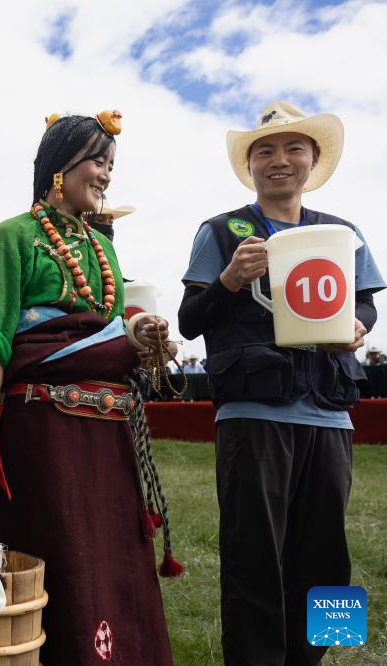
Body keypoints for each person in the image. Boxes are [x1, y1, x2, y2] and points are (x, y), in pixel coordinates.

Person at [0, 111, 179, 665]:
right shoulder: (13, 236)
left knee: (112, 553)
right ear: (60, 168)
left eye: (111, 165)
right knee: (61, 549)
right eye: (97, 162)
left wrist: (141, 339)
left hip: (106, 432)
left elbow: (106, 339)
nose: (107, 175)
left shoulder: (103, 251)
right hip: (42, 432)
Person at [178, 101, 383, 665]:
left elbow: (364, 302)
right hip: (252, 412)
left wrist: (360, 326)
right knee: (253, 560)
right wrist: (225, 282)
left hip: (330, 412)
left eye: (294, 148)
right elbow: (190, 319)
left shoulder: (342, 233)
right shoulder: (221, 231)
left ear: (313, 161)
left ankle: (319, 659)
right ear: (250, 166)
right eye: (264, 150)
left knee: (327, 559)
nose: (280, 160)